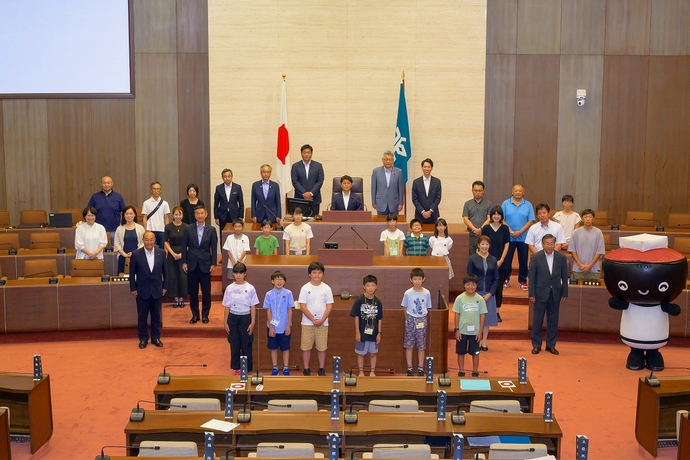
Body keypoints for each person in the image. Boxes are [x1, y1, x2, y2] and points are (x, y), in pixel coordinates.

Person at [528, 234, 568, 355]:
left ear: (555, 244)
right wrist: (531, 294)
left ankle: (551, 345)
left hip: (555, 293)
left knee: (553, 321)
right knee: (537, 320)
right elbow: (532, 277)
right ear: (542, 244)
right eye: (547, 243)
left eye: (552, 243)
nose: (550, 246)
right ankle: (536, 344)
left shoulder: (561, 257)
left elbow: (564, 276)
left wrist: (564, 292)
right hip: (540, 293)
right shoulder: (536, 257)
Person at [129, 231, 168, 349]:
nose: (149, 242)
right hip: (141, 291)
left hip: (157, 290)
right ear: (143, 240)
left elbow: (166, 272)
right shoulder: (136, 254)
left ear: (155, 240)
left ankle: (156, 338)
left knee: (156, 316)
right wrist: (133, 288)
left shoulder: (161, 253)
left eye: (151, 239)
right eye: (147, 239)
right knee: (142, 317)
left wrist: (165, 286)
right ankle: (143, 339)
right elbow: (132, 274)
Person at [182, 206, 218, 324]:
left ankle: (205, 315)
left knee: (206, 292)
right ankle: (195, 315)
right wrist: (184, 262)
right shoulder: (188, 228)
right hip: (191, 264)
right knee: (193, 292)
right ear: (194, 215)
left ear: (206, 214)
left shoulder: (211, 230)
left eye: (202, 213)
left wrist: (213, 263)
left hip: (205, 264)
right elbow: (184, 246)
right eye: (197, 213)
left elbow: (214, 247)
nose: (200, 215)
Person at [299, 261, 333, 376]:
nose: (317, 275)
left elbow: (329, 306)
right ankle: (306, 369)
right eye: (314, 272)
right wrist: (313, 320)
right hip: (307, 323)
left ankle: (321, 369)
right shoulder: (304, 288)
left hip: (323, 323)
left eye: (319, 272)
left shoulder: (327, 288)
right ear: (309, 274)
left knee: (322, 347)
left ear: (323, 274)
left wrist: (322, 320)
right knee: (306, 347)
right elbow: (302, 306)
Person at [223, 262, 258, 374]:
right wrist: (225, 322)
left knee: (246, 343)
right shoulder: (229, 288)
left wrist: (252, 323)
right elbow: (227, 306)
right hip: (233, 317)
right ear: (233, 274)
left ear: (245, 274)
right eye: (236, 273)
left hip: (245, 317)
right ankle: (237, 367)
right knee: (235, 343)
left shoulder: (250, 288)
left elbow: (253, 306)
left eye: (241, 273)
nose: (238, 275)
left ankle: (246, 368)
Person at [467, 235, 499, 351]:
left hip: (489, 293)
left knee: (487, 318)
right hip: (476, 292)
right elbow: (469, 277)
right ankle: (476, 341)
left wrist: (490, 293)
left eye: (487, 244)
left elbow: (496, 279)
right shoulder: (472, 258)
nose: (484, 246)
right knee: (475, 317)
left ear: (489, 246)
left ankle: (484, 342)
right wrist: (473, 291)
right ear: (478, 245)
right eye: (482, 244)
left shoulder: (493, 259)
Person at [501, 184, 535, 291]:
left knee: (523, 260)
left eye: (520, 191)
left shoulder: (528, 204)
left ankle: (523, 280)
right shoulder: (506, 203)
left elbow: (531, 220)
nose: (518, 193)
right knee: (507, 259)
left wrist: (520, 231)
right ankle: (505, 279)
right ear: (512, 192)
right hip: (509, 236)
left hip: (524, 237)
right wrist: (511, 231)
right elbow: (501, 218)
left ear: (523, 193)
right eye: (516, 191)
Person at [452, 274, 487, 377]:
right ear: (464, 285)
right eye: (468, 284)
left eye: (473, 285)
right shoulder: (459, 298)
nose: (470, 287)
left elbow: (482, 315)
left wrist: (480, 331)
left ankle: (475, 370)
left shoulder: (480, 299)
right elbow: (457, 314)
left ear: (476, 286)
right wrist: (457, 329)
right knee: (461, 352)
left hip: (475, 332)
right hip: (462, 331)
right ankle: (461, 370)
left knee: (475, 352)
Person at [481, 206, 510, 322]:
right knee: (486, 287)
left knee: (498, 289)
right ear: (491, 215)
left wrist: (501, 260)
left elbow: (507, 244)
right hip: (487, 262)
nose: (496, 216)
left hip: (501, 263)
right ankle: (485, 310)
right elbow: (482, 244)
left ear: (501, 216)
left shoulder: (504, 229)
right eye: (494, 214)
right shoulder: (486, 228)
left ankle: (497, 312)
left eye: (499, 214)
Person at [350, 274, 383, 376]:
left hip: (374, 333)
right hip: (362, 333)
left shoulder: (378, 302)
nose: (370, 288)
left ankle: (372, 372)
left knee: (373, 354)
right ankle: (361, 372)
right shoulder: (359, 300)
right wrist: (357, 332)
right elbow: (356, 317)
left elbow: (380, 319)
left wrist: (379, 333)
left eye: (372, 285)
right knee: (361, 354)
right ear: (364, 286)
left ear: (376, 287)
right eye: (368, 286)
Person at [401, 267, 432, 376]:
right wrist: (408, 319)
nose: (417, 281)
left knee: (421, 345)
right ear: (411, 280)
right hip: (410, 319)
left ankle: (420, 367)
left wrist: (420, 318)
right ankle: (409, 368)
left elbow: (427, 308)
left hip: (422, 320)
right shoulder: (408, 293)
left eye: (419, 279)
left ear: (423, 279)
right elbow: (404, 307)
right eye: (415, 279)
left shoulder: (427, 293)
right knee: (409, 345)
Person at [263, 270, 295, 376]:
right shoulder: (268, 294)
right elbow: (268, 311)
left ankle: (285, 368)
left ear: (284, 282)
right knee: (273, 348)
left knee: (285, 348)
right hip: (272, 327)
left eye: (281, 279)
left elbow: (290, 310)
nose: (279, 281)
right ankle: (275, 367)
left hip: (285, 326)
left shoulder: (288, 293)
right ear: (272, 281)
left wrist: (288, 325)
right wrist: (271, 327)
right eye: (277, 279)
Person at [569, 209, 605, 280]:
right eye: (585, 217)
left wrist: (590, 266)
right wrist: (580, 265)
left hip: (594, 269)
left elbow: (599, 251)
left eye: (590, 217)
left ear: (593, 219)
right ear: (582, 219)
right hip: (578, 269)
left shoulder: (598, 232)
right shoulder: (576, 232)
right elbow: (572, 251)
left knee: (593, 291)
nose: (587, 219)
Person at [87, 175, 126, 241]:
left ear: (112, 184)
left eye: (108, 183)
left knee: (115, 250)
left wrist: (121, 224)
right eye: (104, 183)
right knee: (99, 250)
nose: (106, 185)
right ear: (101, 184)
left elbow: (124, 212)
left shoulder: (118, 197)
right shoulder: (95, 197)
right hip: (98, 230)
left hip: (115, 230)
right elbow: (88, 212)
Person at [291, 144, 324, 217]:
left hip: (314, 199)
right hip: (300, 198)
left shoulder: (318, 166)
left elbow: (320, 181)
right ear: (301, 154)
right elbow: (295, 182)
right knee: (300, 220)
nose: (306, 154)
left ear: (311, 153)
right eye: (304, 152)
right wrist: (304, 194)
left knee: (314, 221)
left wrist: (311, 193)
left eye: (308, 152)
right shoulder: (295, 166)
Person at [164, 206, 188, 307]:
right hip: (172, 253)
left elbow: (189, 242)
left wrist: (182, 254)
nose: (178, 216)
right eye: (176, 214)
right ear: (173, 215)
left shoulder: (187, 227)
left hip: (183, 252)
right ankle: (175, 298)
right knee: (173, 275)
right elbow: (165, 241)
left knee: (183, 276)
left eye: (180, 214)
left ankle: (182, 298)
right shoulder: (168, 227)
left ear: (183, 215)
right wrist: (173, 253)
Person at [462, 180, 493, 254]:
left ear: (483, 191)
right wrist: (474, 229)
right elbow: (465, 219)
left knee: (485, 255)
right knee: (471, 255)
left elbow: (489, 219)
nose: (478, 192)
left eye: (480, 190)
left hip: (485, 234)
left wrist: (481, 229)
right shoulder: (467, 204)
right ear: (472, 191)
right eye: (475, 190)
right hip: (471, 234)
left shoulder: (489, 204)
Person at [113, 205, 144, 275]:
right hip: (123, 256)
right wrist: (124, 254)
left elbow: (143, 243)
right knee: (122, 276)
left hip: (137, 256)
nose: (129, 216)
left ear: (135, 215)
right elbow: (117, 244)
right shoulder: (119, 229)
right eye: (127, 214)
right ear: (123, 215)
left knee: (137, 276)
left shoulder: (140, 228)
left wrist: (134, 253)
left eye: (131, 213)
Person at [371, 150, 404, 215]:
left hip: (394, 204)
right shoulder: (376, 171)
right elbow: (373, 188)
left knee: (393, 223)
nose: (388, 161)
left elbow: (400, 189)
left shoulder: (398, 172)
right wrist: (373, 202)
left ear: (393, 160)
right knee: (381, 224)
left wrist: (400, 203)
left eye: (390, 159)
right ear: (382, 160)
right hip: (380, 203)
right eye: (386, 159)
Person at [141, 181, 171, 249]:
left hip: (162, 230)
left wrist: (167, 230)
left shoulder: (165, 203)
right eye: (154, 189)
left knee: (162, 250)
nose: (156, 191)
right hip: (150, 229)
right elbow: (145, 217)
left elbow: (166, 217)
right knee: (150, 249)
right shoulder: (146, 203)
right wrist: (145, 230)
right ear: (151, 191)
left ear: (161, 191)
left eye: (158, 189)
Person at [411, 158, 442, 223]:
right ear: (422, 168)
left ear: (431, 168)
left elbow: (438, 198)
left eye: (428, 167)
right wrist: (423, 211)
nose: (426, 169)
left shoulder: (437, 182)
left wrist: (430, 211)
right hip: (420, 215)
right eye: (425, 167)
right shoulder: (416, 182)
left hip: (433, 215)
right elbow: (415, 199)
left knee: (433, 232)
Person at [213, 168, 244, 233]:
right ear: (222, 178)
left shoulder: (237, 187)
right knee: (223, 234)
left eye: (229, 176)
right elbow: (216, 204)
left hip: (235, 216)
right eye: (225, 176)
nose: (227, 178)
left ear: (232, 177)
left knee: (235, 234)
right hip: (222, 216)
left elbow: (241, 203)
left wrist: (241, 216)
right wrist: (216, 217)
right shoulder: (218, 188)